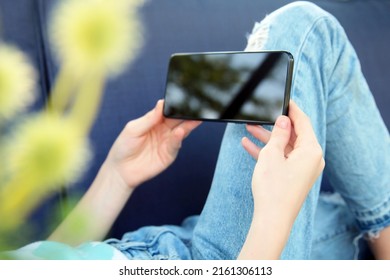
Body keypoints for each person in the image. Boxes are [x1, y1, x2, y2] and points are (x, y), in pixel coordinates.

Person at [7, 1, 390, 260]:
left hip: (171, 241)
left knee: (343, 215)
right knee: (306, 27)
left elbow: (50, 260)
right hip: (238, 258)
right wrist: (273, 215)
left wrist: (117, 175)